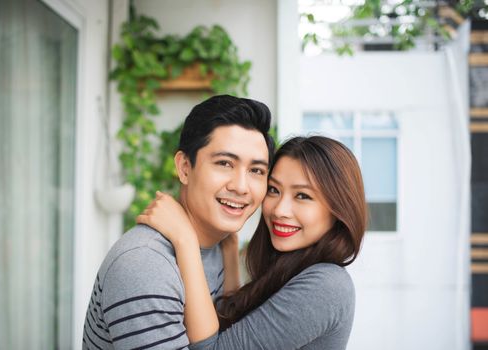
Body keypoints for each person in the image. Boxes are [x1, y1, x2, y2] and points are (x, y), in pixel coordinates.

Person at [137, 135, 367, 350]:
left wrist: (185, 239)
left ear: (338, 210)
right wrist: (228, 249)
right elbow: (233, 326)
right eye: (274, 190)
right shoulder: (292, 266)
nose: (279, 210)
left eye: (302, 196)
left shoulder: (326, 286)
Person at [82, 95, 275, 350]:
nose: (241, 187)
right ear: (184, 168)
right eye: (224, 163)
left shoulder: (218, 245)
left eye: (256, 171)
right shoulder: (145, 263)